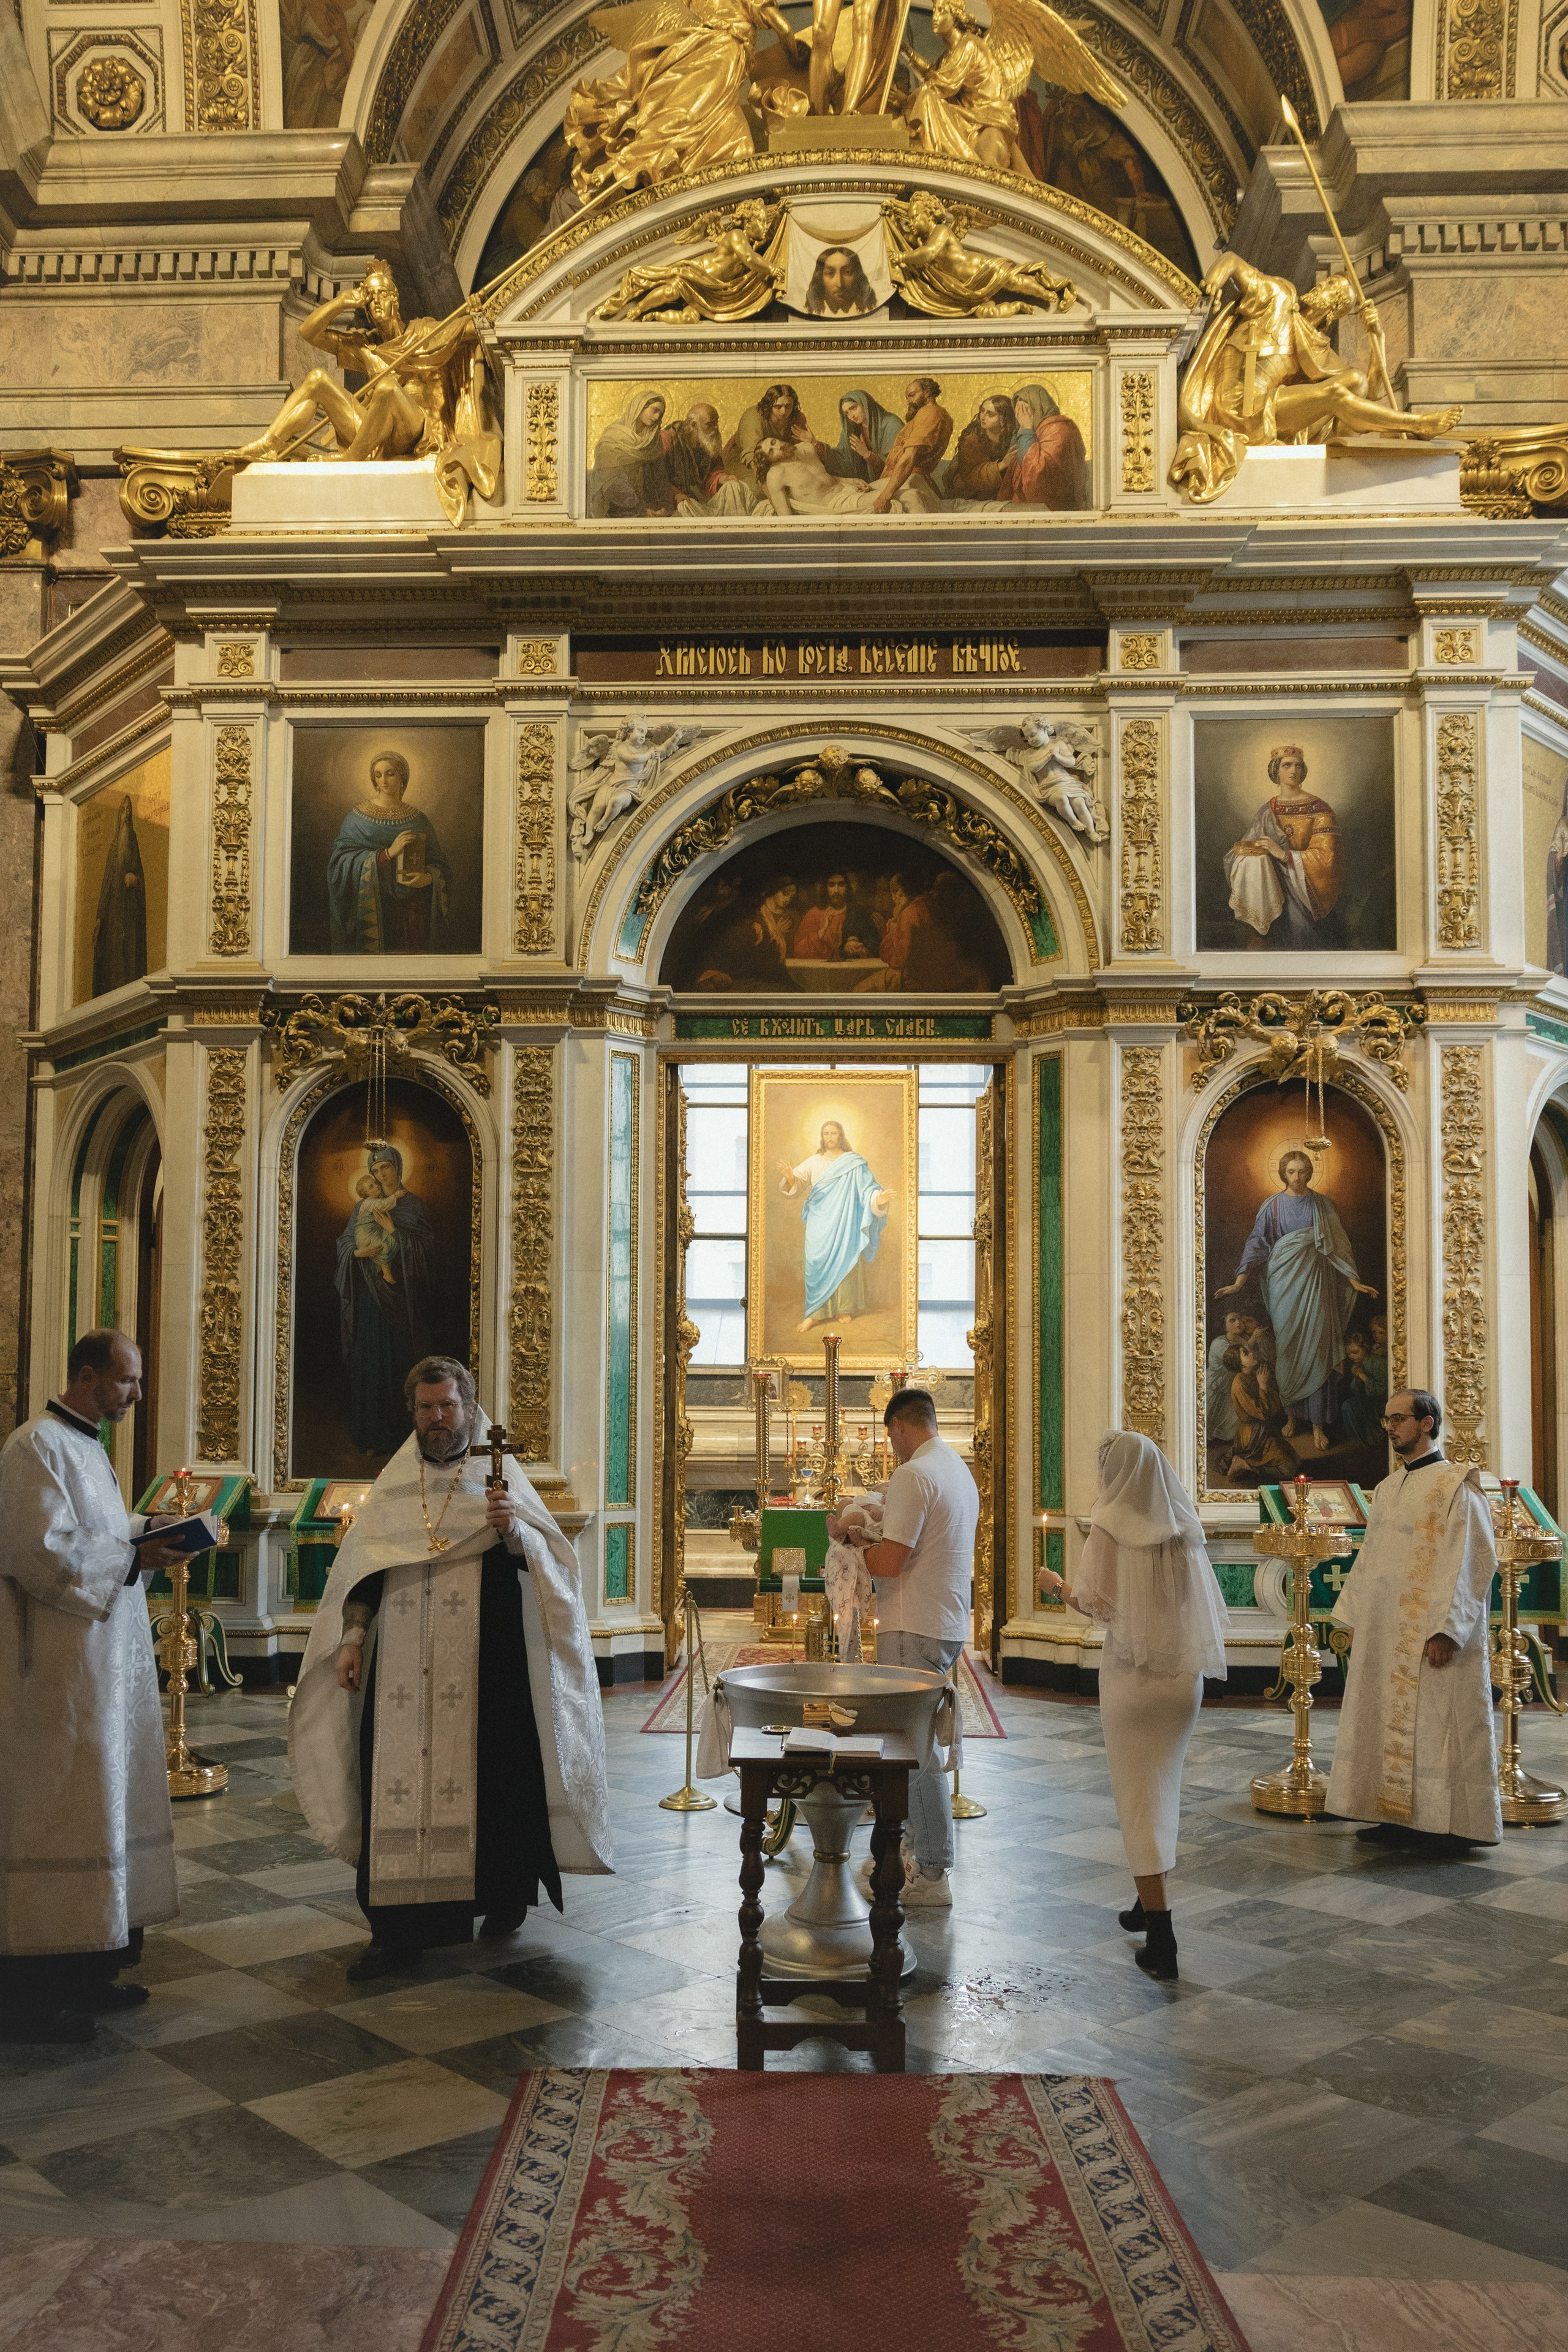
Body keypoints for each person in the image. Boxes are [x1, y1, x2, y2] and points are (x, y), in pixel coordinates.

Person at [289, 1355, 612, 1980]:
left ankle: (498, 1899)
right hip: (402, 1671)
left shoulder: (498, 1479)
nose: (438, 1419)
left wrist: (514, 1532)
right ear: (412, 1414)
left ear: (469, 1407)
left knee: (495, 1780)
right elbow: (364, 1572)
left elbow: (552, 1567)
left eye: (448, 1406)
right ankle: (399, 1931)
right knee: (395, 1782)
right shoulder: (392, 1489)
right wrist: (352, 1638)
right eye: (426, 1408)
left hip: (486, 1665)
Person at [0, 1330, 186, 2042]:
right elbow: (40, 1551)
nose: (136, 1394)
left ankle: (90, 1970)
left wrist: (147, 1528)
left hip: (98, 1665)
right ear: (87, 1375)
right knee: (57, 1812)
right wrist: (137, 1557)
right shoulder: (34, 1447)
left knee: (97, 1807)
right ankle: (37, 1993)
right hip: (55, 1673)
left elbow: (96, 1532)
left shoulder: (86, 1445)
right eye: (128, 1381)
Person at [1039, 1433, 1227, 1981]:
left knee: (1138, 1799)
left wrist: (1057, 1587)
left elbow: (1099, 1606)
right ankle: (1146, 1902)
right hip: (1182, 1681)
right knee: (1161, 1788)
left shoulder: (1110, 1523)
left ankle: (1163, 1937)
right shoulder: (1184, 1523)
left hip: (1134, 1681)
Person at [1325, 1390, 1502, 1853]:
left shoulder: (1456, 1484)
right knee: (1386, 1717)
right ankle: (1393, 1816)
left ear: (1426, 1423)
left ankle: (1446, 1826)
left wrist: (1448, 1628)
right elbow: (1372, 1559)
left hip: (1431, 1635)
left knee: (1437, 1724)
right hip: (1387, 1634)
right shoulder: (1387, 1488)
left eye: (1398, 1419)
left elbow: (1471, 1559)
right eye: (1386, 1419)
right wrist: (1356, 1616)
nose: (1389, 1427)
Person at [828, 1386, 978, 1907]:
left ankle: (933, 1872)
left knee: (915, 1750)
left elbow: (892, 1561)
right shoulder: (957, 1469)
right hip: (944, 1619)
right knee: (913, 1744)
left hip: (914, 1623)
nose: (892, 1447)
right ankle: (910, 1852)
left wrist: (851, 1549)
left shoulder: (914, 1474)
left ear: (898, 1427)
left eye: (891, 1436)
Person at [1216, 1147, 1378, 1453]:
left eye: (1303, 1171)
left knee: (1317, 1349)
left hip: (1317, 1285)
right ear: (1282, 1173)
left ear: (1310, 1173)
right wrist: (1239, 1282)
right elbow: (1256, 1243)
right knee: (1288, 1351)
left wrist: (1354, 1281)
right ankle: (1292, 1416)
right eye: (1291, 1171)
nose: (1297, 1177)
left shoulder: (1322, 1205)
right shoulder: (1272, 1206)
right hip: (1284, 1285)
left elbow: (1339, 1245)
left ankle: (1317, 1424)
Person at [334, 1142, 439, 1456]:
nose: (381, 1176)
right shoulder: (362, 1207)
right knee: (370, 1362)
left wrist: (395, 1231)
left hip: (403, 1303)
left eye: (386, 1168)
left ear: (398, 1168)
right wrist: (357, 1252)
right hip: (369, 1299)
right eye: (375, 1171)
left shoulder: (412, 1206)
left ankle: (404, 1439)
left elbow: (427, 1253)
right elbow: (345, 1240)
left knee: (400, 1364)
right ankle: (373, 1436)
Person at [326, 750, 450, 953]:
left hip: (413, 914)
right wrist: (387, 854)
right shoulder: (356, 819)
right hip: (373, 912)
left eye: (390, 773)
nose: (383, 780)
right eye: (378, 775)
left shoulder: (419, 820)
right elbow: (338, 865)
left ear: (402, 776)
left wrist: (428, 879)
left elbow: (440, 865)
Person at [1224, 745, 1345, 951]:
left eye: (1298, 766)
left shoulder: (1320, 809)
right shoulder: (1267, 811)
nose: (1293, 771)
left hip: (1305, 892)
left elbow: (1327, 858)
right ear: (1275, 771)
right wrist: (1249, 858)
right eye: (1287, 765)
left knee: (1301, 941)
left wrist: (1284, 855)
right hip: (1268, 889)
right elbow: (1241, 851)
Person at [778, 1118, 891, 1330]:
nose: (830, 1138)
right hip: (819, 1221)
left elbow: (868, 1190)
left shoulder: (853, 1162)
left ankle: (843, 1308)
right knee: (816, 1261)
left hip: (845, 1221)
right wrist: (790, 1178)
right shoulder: (814, 1161)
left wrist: (879, 1200)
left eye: (834, 1133)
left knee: (845, 1259)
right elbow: (798, 1184)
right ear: (822, 1137)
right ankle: (815, 1313)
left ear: (841, 1136)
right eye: (826, 1134)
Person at [867, 378, 952, 513]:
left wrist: (885, 496)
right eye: (907, 398)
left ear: (927, 393)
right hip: (906, 479)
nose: (908, 402)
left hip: (908, 479)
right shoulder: (930, 414)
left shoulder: (930, 413)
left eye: (912, 395)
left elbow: (909, 458)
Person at [1008, 384, 1091, 510]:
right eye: (1018, 411)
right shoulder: (1033, 429)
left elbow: (1038, 476)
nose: (1020, 415)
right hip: (1028, 503)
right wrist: (1023, 431)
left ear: (1038, 406)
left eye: (1024, 409)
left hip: (1052, 505)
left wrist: (1027, 431)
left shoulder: (1059, 429)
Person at [944, 394, 1019, 500]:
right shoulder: (971, 438)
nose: (983, 417)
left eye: (990, 414)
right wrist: (1002, 465)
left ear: (1004, 419)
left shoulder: (1011, 434)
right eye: (982, 411)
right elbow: (971, 476)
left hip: (996, 486)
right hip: (969, 488)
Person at [804, 245, 876, 315]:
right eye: (830, 273)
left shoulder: (868, 310)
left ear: (857, 276)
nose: (840, 284)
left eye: (847, 272)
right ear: (820, 278)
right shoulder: (813, 312)